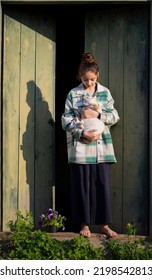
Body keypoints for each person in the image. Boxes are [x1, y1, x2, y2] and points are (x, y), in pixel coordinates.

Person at [61, 53, 120, 238]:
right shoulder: (73, 94)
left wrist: (98, 116)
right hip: (81, 147)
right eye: (85, 80)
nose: (89, 83)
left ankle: (104, 225)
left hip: (102, 148)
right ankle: (84, 224)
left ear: (98, 76)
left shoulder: (105, 93)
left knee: (102, 185)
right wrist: (82, 133)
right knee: (82, 186)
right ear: (80, 77)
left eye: (92, 79)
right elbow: (66, 120)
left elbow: (114, 116)